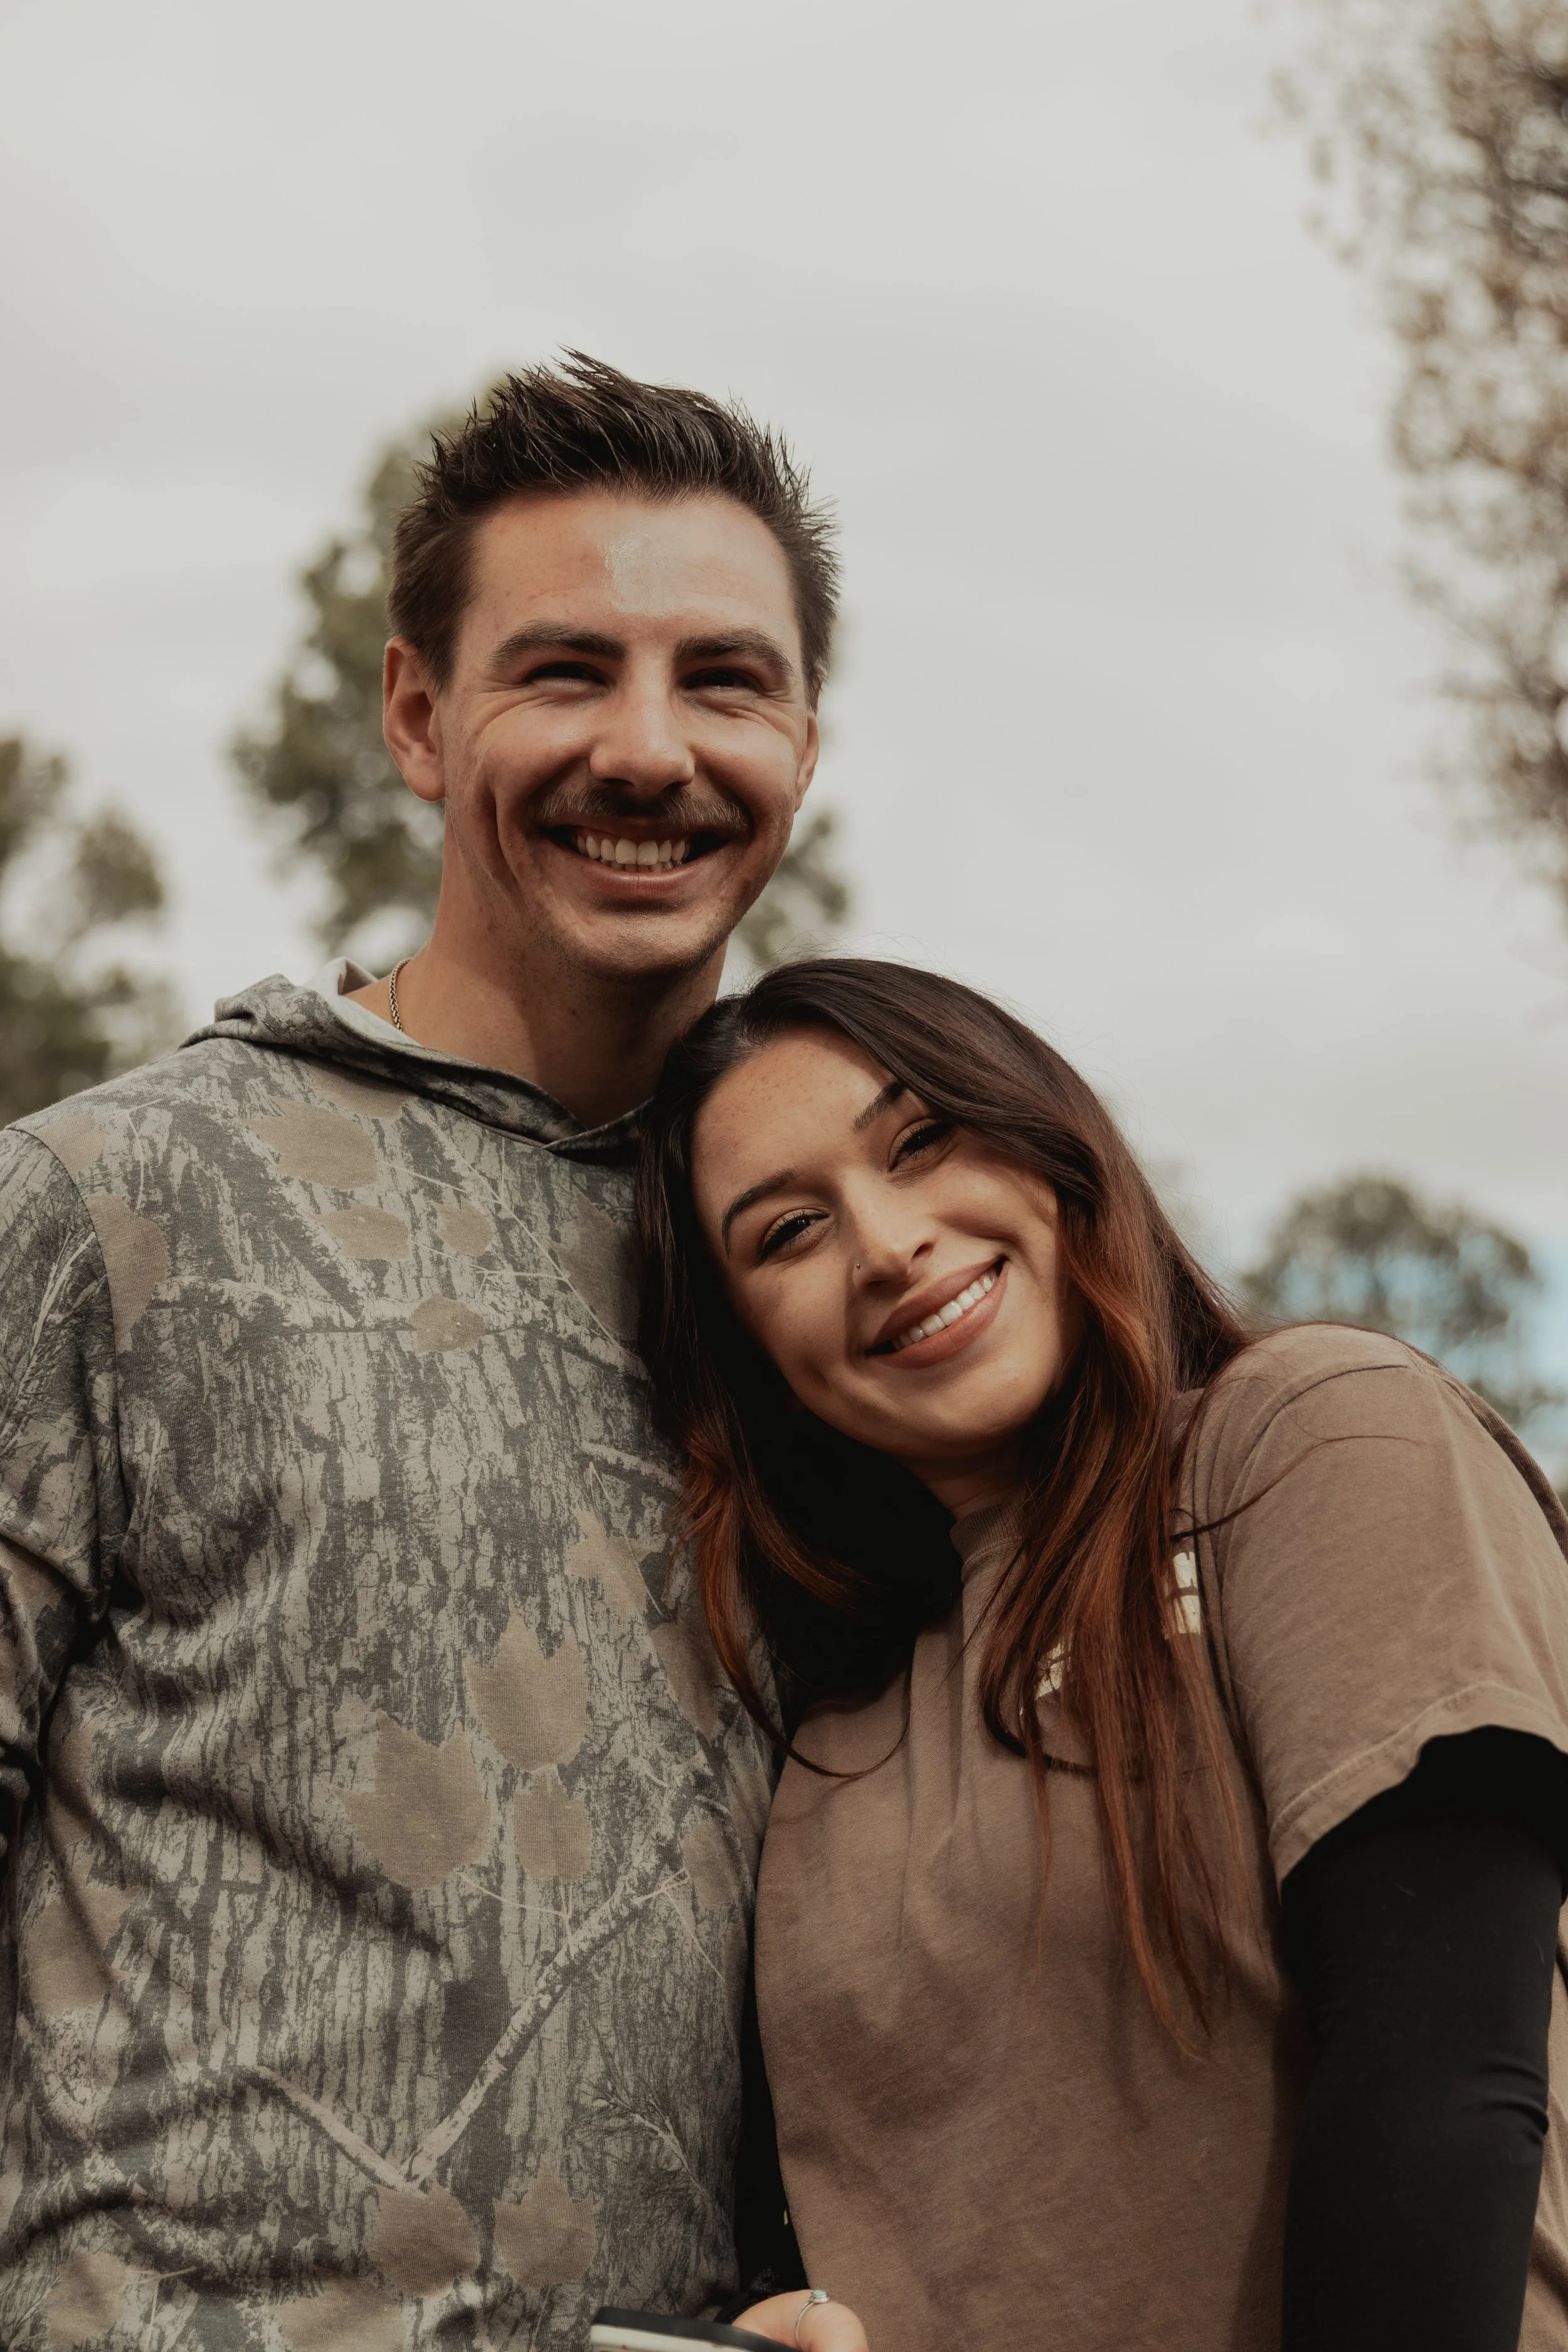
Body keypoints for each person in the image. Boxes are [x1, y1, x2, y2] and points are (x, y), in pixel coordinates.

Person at [0, 356, 837, 2350]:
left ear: (802, 738)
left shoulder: (820, 1287)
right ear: (414, 714)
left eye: (724, 679)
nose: (651, 748)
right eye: (565, 670)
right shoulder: (108, 1201)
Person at [638, 955, 1568, 2352]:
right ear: (746, 1351)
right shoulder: (828, 1736)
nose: (886, 1245)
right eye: (785, 1234)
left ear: (1046, 1142)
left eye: (919, 1140)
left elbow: (1441, 2080)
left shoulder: (1306, 1440)